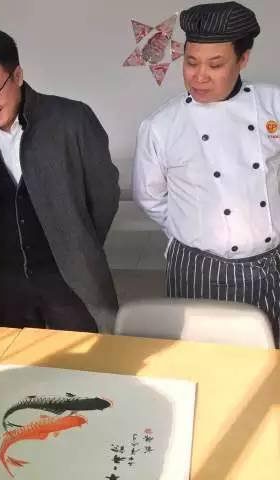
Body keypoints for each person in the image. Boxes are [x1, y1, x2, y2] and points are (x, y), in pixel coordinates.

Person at [133, 2, 280, 345]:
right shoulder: (161, 126)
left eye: (215, 65)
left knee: (270, 354)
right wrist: (192, 229)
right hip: (199, 267)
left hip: (272, 264)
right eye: (191, 62)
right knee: (199, 356)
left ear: (243, 60)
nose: (199, 76)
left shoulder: (273, 104)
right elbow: (148, 196)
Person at [0, 29, 119, 331]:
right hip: (7, 283)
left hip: (68, 277)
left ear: (17, 75)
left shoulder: (71, 119)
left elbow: (104, 194)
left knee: (84, 351)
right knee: (20, 355)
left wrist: (80, 245)